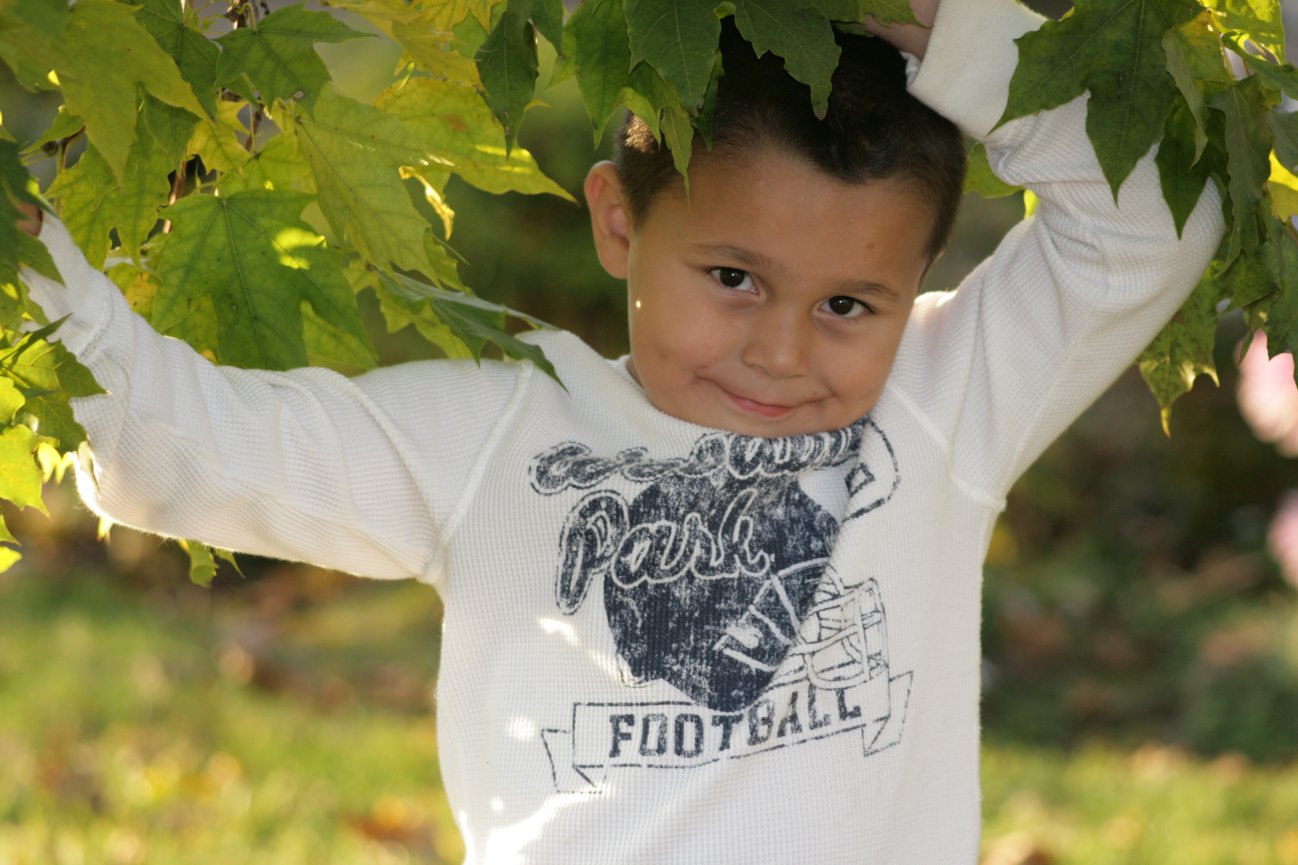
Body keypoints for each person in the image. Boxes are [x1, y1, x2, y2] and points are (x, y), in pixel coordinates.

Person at [14, 0, 1223, 860]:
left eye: (849, 305)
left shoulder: (939, 399)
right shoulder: (498, 436)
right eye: (733, 278)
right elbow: (168, 445)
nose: (780, 351)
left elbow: (1153, 220)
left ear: (915, 283)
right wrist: (28, 242)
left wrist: (949, 31)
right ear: (617, 221)